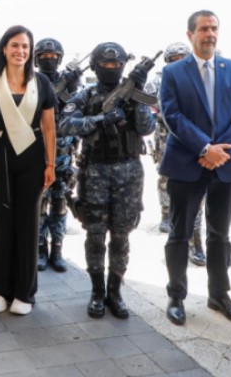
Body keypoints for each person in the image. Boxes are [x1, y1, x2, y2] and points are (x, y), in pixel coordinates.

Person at [159, 10, 231, 326]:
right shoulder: (173, 72)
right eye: (203, 29)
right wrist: (204, 148)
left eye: (214, 28)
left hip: (225, 167)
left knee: (220, 236)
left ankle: (219, 295)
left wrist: (219, 152)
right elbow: (172, 116)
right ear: (190, 34)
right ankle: (176, 296)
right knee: (179, 235)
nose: (210, 34)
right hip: (187, 165)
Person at [62, 42, 155, 319]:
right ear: (95, 66)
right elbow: (65, 124)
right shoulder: (85, 95)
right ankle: (97, 292)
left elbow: (147, 127)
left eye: (117, 65)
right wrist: (100, 119)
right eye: (106, 65)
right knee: (95, 234)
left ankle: (115, 291)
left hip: (129, 172)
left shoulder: (134, 94)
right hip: (95, 172)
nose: (112, 69)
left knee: (122, 234)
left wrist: (136, 96)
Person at [0, 25, 56, 316]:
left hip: (33, 158)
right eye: (14, 45)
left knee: (28, 225)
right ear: (4, 48)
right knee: (3, 223)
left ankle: (25, 293)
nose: (20, 51)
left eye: (25, 46)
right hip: (0, 157)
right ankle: (1, 291)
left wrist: (51, 163)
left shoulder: (42, 83)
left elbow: (49, 127)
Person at [147, 42, 207, 266]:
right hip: (166, 136)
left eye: (183, 57)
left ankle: (196, 240)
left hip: (196, 137)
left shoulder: (199, 76)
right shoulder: (159, 78)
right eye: (174, 59)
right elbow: (152, 103)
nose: (179, 61)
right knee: (166, 177)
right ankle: (166, 213)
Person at [34, 38, 80, 273]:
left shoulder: (69, 83)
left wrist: (72, 90)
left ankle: (57, 250)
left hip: (63, 156)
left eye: (53, 56)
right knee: (40, 205)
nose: (49, 59)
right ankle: (40, 249)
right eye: (44, 55)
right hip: (38, 156)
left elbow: (76, 116)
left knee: (60, 205)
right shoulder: (31, 82)